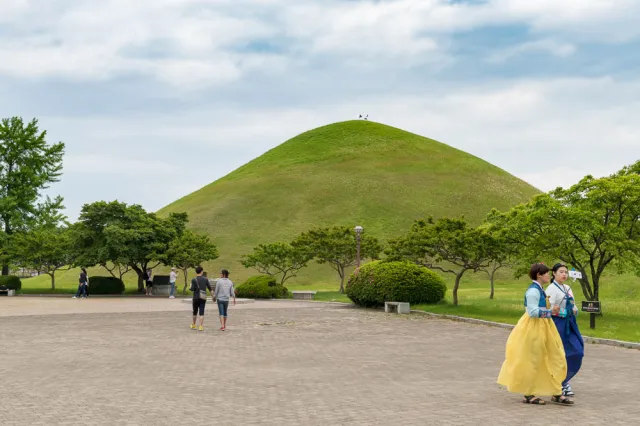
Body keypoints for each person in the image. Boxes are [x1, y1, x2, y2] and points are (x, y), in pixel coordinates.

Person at [497, 263, 574, 405]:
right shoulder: (533, 291)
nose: (548, 276)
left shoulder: (540, 289)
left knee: (555, 357)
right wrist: (550, 312)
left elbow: (544, 308)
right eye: (546, 273)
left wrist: (554, 310)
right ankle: (529, 393)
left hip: (545, 325)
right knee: (533, 360)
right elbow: (532, 312)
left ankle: (556, 391)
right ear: (539, 275)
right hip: (534, 328)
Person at [547, 263, 584, 397]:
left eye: (566, 272)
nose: (564, 274)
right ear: (554, 274)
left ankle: (565, 379)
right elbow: (549, 309)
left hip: (570, 324)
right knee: (561, 354)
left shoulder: (568, 288)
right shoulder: (551, 289)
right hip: (558, 325)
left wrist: (574, 310)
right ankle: (561, 383)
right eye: (561, 272)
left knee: (577, 351)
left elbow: (574, 305)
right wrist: (563, 312)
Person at [190, 266, 213, 331]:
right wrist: (213, 296)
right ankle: (200, 326)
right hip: (202, 298)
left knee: (195, 311)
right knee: (201, 312)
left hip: (195, 297)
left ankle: (194, 325)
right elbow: (210, 289)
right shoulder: (205, 279)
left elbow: (192, 289)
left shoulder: (193, 279)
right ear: (202, 271)